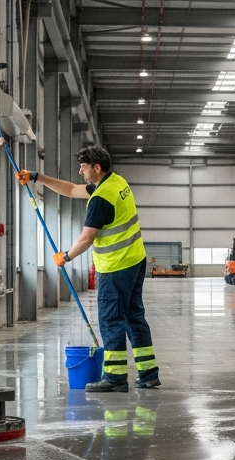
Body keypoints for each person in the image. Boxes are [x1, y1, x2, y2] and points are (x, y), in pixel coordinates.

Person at [20, 145, 158, 392]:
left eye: (83, 168)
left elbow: (86, 238)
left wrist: (66, 256)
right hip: (135, 260)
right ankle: (148, 373)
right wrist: (36, 177)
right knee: (134, 316)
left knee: (111, 319)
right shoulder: (116, 183)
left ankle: (115, 378)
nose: (81, 173)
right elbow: (71, 190)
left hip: (116, 266)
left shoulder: (101, 200)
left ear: (97, 167)